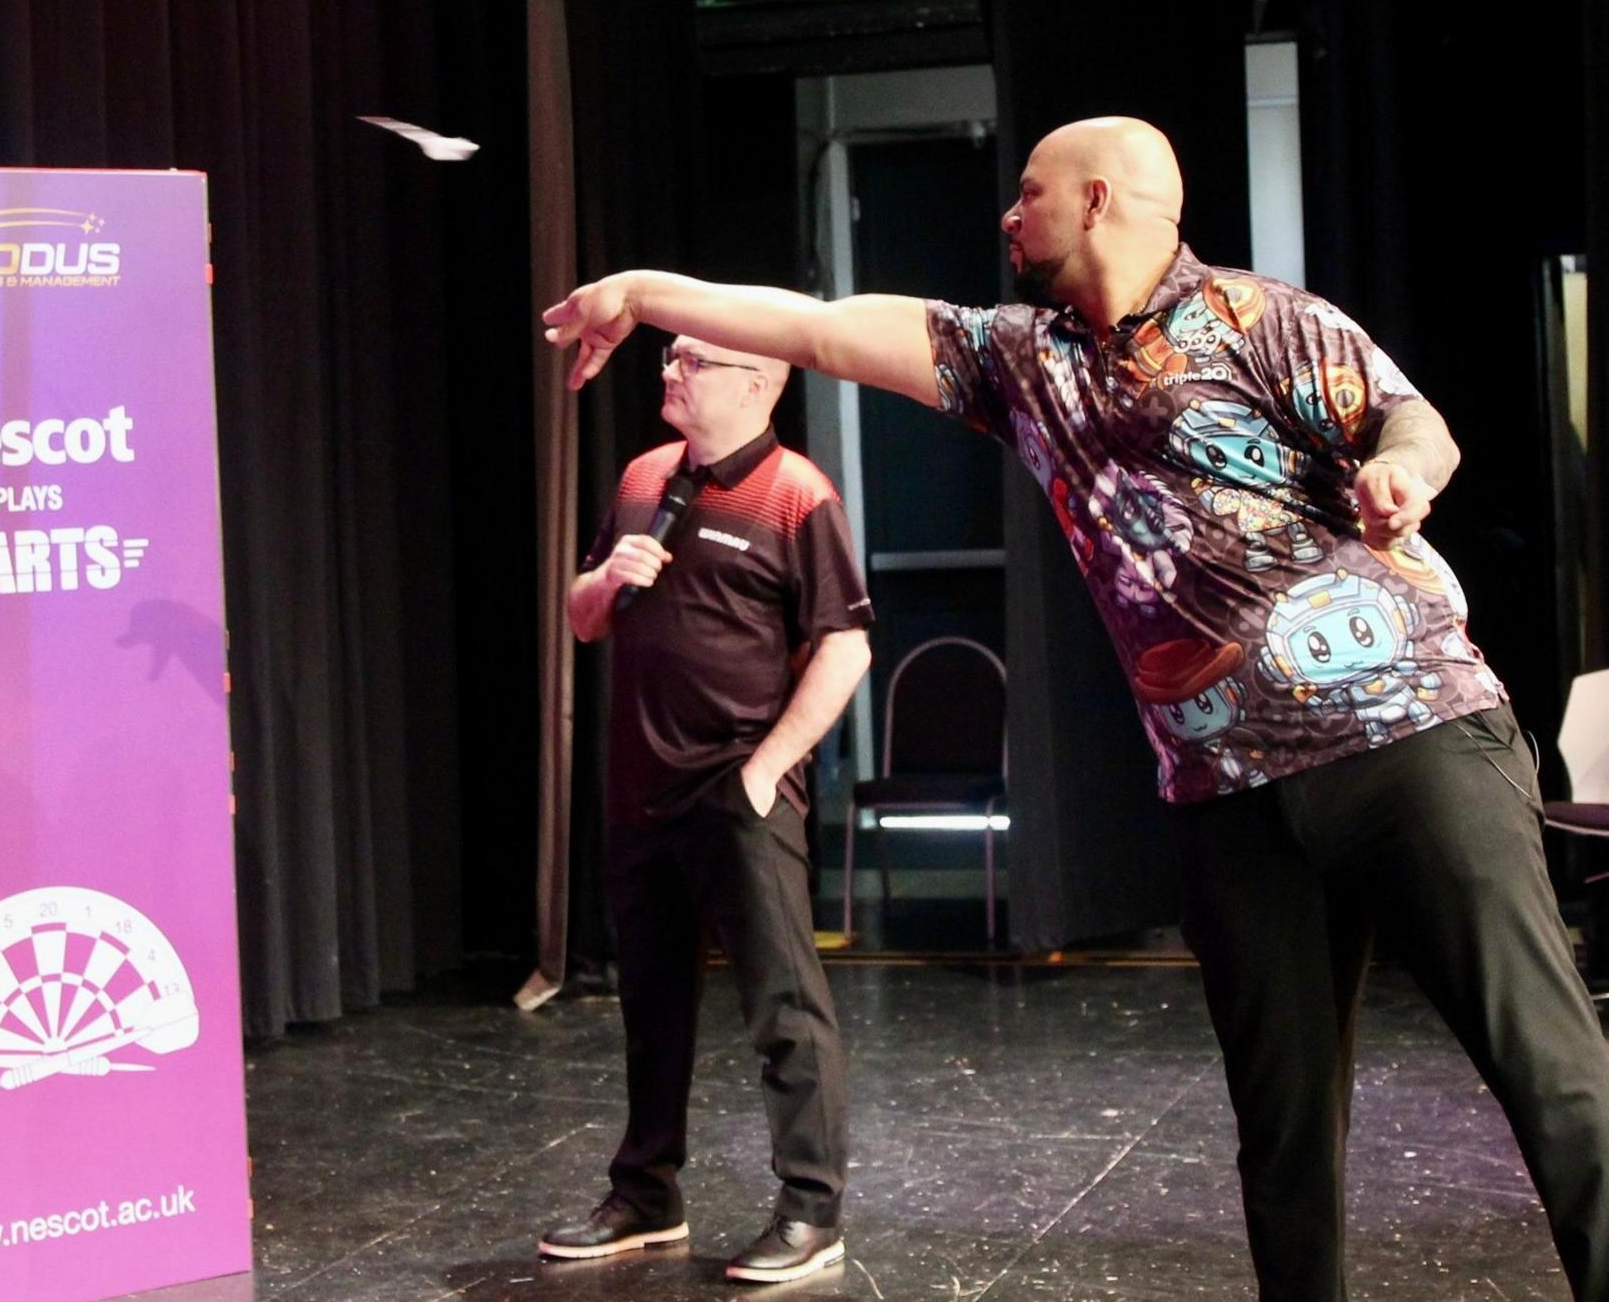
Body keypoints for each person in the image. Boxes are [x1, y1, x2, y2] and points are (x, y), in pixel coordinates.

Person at [544, 116, 1609, 1302]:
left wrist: (1404, 471)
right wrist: (640, 289)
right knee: (1284, 1139)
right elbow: (818, 329)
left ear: (1098, 200)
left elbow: (1414, 420)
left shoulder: (1265, 320)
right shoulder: (1018, 361)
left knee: (1548, 1074)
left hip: (1407, 745)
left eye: (1028, 194)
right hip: (1227, 797)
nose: (1008, 215)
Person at [538, 338, 873, 1285]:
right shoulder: (646, 474)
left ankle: (813, 1212)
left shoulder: (796, 494)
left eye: (694, 362)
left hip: (736, 792)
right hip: (640, 787)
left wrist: (766, 771)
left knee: (783, 1009)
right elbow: (580, 615)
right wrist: (605, 581)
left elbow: (846, 648)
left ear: (759, 384)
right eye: (671, 357)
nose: (668, 373)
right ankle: (648, 1194)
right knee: (651, 1001)